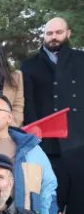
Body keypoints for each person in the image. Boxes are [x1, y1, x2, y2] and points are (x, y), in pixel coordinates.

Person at [21, 17, 82, 158]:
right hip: (47, 139)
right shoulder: (29, 65)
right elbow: (28, 103)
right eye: (49, 33)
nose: (53, 37)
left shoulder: (81, 59)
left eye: (59, 32)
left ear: (68, 33)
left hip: (79, 136)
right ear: (44, 35)